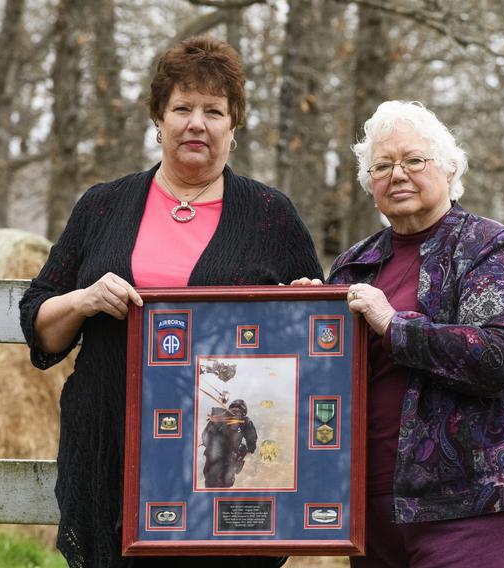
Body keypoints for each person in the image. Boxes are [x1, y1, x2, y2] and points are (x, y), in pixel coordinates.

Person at [20, 36, 322, 568]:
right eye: (182, 108)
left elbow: (318, 351)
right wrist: (84, 299)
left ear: (234, 125)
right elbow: (41, 328)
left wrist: (304, 309)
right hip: (111, 446)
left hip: (221, 461)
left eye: (213, 111)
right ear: (158, 118)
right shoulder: (102, 205)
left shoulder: (272, 214)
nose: (196, 123)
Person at [303, 101, 504, 567]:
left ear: (449, 169)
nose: (396, 174)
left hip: (479, 502)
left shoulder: (486, 246)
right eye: (381, 165)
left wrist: (394, 326)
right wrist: (297, 316)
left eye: (413, 160)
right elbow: (321, 378)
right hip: (376, 507)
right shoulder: (354, 264)